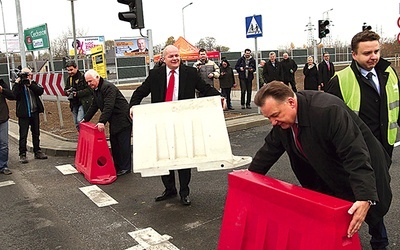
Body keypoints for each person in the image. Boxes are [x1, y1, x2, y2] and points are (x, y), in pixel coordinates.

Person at [249, 82, 392, 250]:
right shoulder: (283, 121)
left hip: (365, 164)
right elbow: (269, 149)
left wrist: (365, 196)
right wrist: (248, 177)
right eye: (269, 118)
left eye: (275, 115)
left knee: (368, 211)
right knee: (334, 211)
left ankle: (380, 243)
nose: (273, 122)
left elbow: (355, 155)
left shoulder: (327, 111)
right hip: (330, 169)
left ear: (291, 102)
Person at [129, 45, 221, 206]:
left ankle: (184, 192)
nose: (175, 58)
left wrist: (219, 97)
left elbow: (205, 89)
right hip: (162, 124)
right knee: (165, 158)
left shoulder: (190, 73)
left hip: (183, 123)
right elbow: (141, 91)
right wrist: (133, 106)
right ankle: (169, 189)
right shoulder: (155, 74)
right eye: (171, 56)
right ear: (163, 59)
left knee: (183, 158)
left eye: (177, 55)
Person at [326, 29, 400, 159]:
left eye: (376, 51)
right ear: (354, 55)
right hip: (357, 152)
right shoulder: (339, 81)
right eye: (367, 53)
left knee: (383, 180)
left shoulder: (390, 73)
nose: (374, 57)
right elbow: (329, 125)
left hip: (386, 147)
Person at [81, 69, 132, 176]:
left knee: (123, 144)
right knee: (115, 144)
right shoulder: (96, 89)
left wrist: (101, 121)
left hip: (122, 118)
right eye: (87, 82)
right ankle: (118, 166)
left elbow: (109, 106)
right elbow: (94, 105)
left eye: (90, 81)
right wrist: (85, 119)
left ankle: (126, 168)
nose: (89, 84)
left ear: (97, 77)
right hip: (114, 120)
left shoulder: (108, 87)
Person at [12, 68, 48, 163]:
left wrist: (30, 84)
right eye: (26, 75)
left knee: (36, 132)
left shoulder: (33, 83)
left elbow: (40, 91)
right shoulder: (18, 86)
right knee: (23, 134)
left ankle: (37, 151)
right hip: (23, 114)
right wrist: (17, 83)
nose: (28, 76)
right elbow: (14, 95)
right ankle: (22, 154)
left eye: (29, 74)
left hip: (34, 112)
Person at [64, 61, 93, 132]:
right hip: (74, 104)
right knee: (76, 123)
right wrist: (67, 92)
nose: (70, 72)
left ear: (76, 68)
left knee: (80, 120)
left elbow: (89, 90)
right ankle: (82, 136)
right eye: (68, 70)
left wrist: (77, 93)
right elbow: (65, 89)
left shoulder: (83, 77)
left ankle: (86, 135)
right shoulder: (69, 79)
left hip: (83, 102)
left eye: (71, 70)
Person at [0, 79, 15, 174]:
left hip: (2, 118)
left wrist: (2, 90)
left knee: (3, 144)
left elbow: (12, 96)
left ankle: (3, 166)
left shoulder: (1, 83)